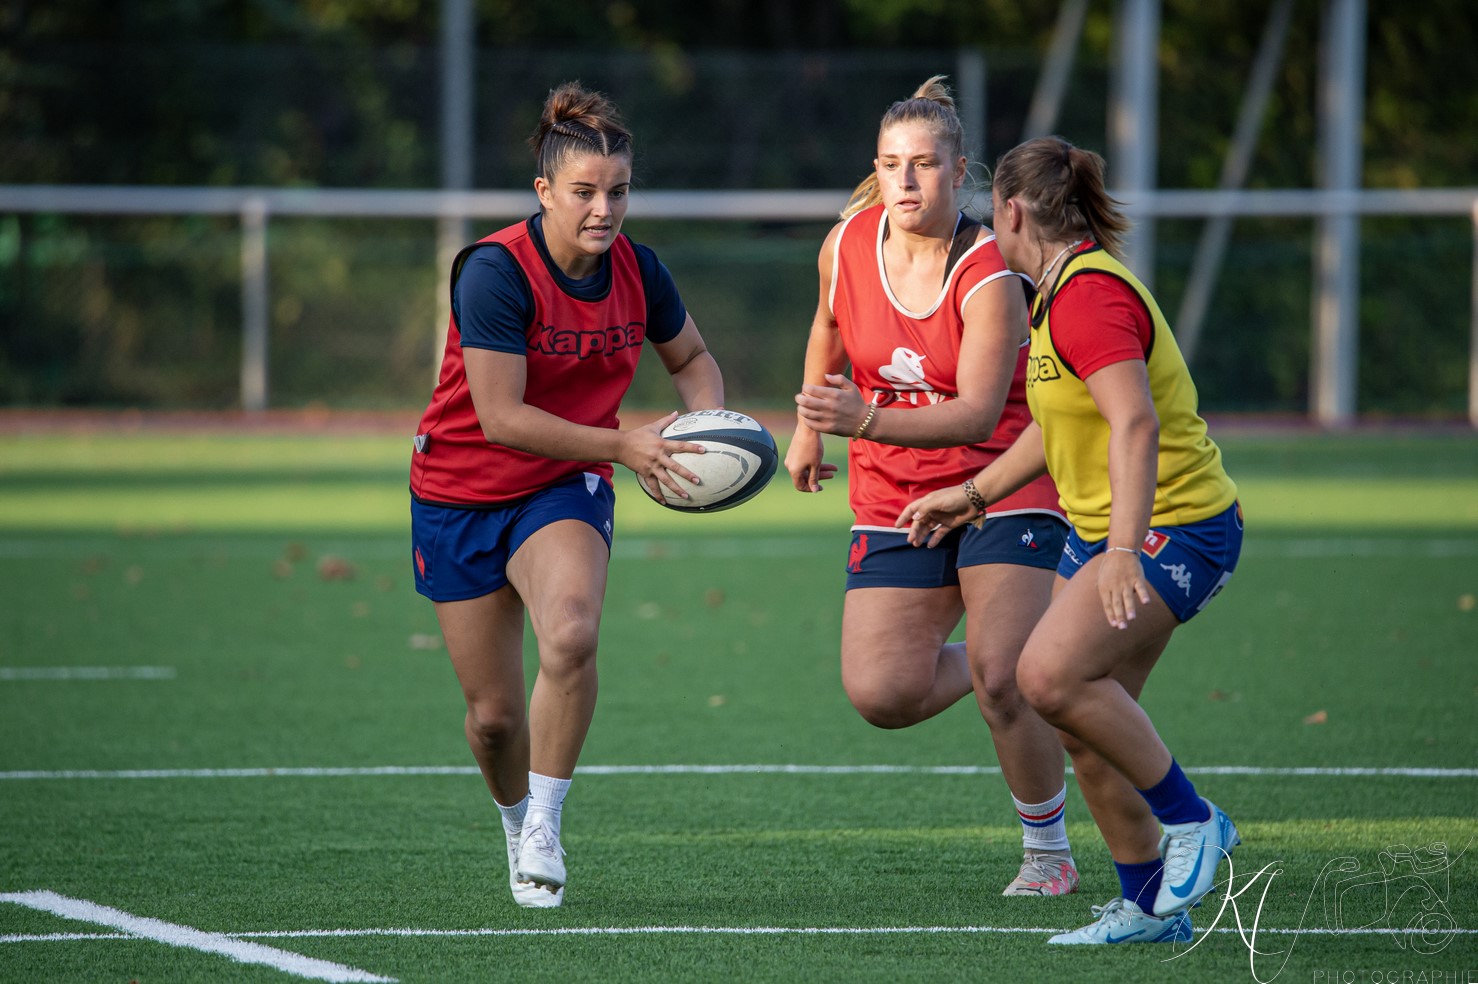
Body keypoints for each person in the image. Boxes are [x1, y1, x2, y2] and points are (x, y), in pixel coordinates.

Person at [898, 135, 1244, 944]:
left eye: (993, 215)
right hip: (1109, 533)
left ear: (1015, 212)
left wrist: (1123, 549)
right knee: (1078, 718)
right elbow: (1060, 428)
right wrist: (974, 493)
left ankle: (1195, 822)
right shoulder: (1053, 293)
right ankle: (1151, 904)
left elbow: (1134, 421)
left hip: (1177, 530)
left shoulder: (1087, 296)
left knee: (1047, 677)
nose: (989, 228)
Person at [409, 82, 724, 908]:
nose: (604, 209)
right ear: (545, 191)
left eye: (618, 191)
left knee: (574, 634)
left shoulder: (640, 270)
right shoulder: (492, 272)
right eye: (584, 192)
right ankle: (515, 822)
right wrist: (625, 444)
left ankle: (547, 821)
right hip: (460, 492)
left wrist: (710, 434)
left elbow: (692, 361)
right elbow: (503, 418)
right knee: (493, 721)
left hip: (562, 485)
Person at [785, 77, 1080, 897]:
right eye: (890, 165)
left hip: (1002, 480)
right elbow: (828, 328)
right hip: (892, 493)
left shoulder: (990, 272)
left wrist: (862, 419)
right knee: (884, 691)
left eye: (923, 166)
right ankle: (1027, 654)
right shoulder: (844, 244)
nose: (905, 183)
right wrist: (810, 421)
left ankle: (1049, 854)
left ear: (960, 174)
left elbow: (979, 413)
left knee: (999, 679)